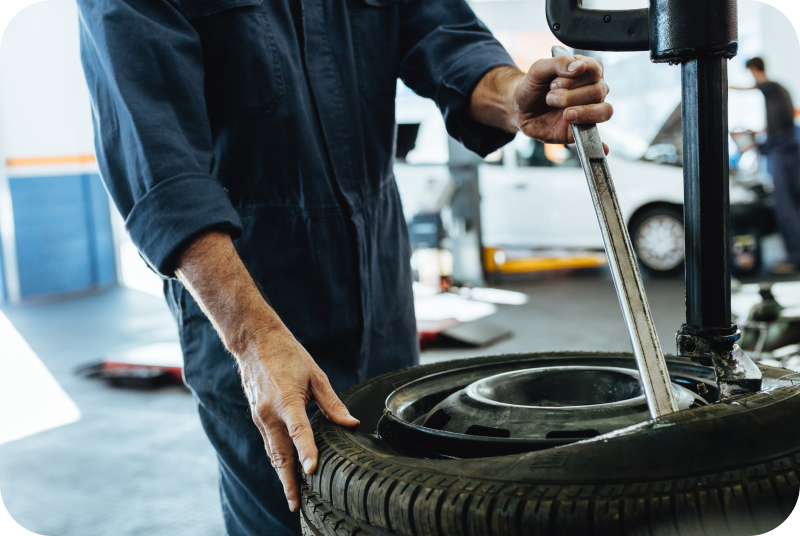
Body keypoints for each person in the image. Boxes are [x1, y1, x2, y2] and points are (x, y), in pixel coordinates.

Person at [77, 0, 612, 534]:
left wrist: (513, 95)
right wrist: (253, 339)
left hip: (382, 298)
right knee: (287, 518)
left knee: (399, 509)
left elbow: (446, 36)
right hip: (252, 310)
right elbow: (159, 165)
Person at [733, 57, 800, 274]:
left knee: (786, 208)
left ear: (754, 70)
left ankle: (795, 260)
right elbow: (778, 124)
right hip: (785, 151)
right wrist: (758, 136)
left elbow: (754, 86)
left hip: (782, 154)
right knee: (790, 206)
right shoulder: (780, 91)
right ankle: (795, 258)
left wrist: (725, 85)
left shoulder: (770, 87)